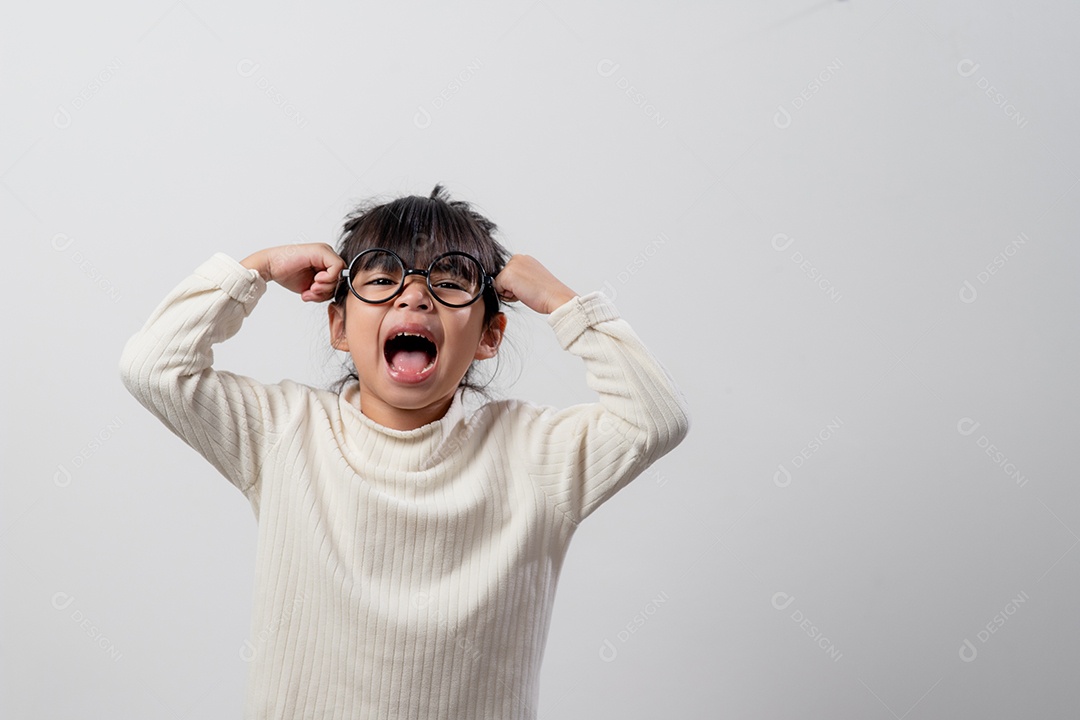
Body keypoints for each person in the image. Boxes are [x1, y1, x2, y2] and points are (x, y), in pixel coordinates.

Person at [119, 184, 689, 719]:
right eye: (382, 278)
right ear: (339, 325)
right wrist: (258, 268)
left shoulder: (535, 455)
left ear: (490, 334)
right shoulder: (284, 432)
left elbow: (655, 418)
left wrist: (564, 303)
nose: (414, 295)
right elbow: (154, 367)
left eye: (451, 280)